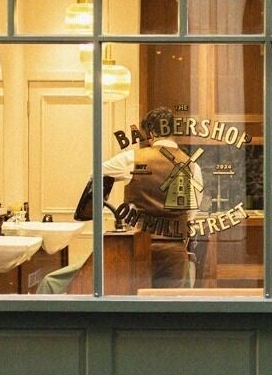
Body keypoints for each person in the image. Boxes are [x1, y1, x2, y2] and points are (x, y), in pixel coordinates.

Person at [87, 106, 203, 289]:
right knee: (168, 308)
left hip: (138, 246)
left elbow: (97, 172)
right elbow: (191, 213)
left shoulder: (132, 159)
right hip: (174, 250)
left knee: (136, 304)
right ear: (174, 132)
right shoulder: (192, 166)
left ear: (149, 132)